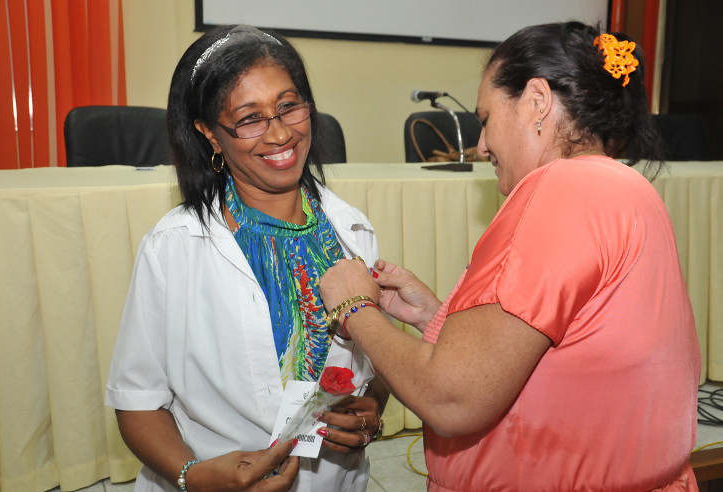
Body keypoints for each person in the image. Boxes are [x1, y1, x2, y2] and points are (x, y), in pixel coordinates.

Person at [319, 21, 700, 491]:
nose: (481, 147)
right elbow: (571, 357)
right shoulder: (626, 187)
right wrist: (437, 318)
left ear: (537, 101)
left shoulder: (560, 188)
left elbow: (451, 401)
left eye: (484, 120)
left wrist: (355, 307)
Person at [105, 25, 387, 492]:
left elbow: (376, 365)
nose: (279, 133)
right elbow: (137, 402)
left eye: (288, 106)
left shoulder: (352, 232)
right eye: (249, 118)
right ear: (210, 134)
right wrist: (191, 475)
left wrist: (372, 407)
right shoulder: (174, 247)